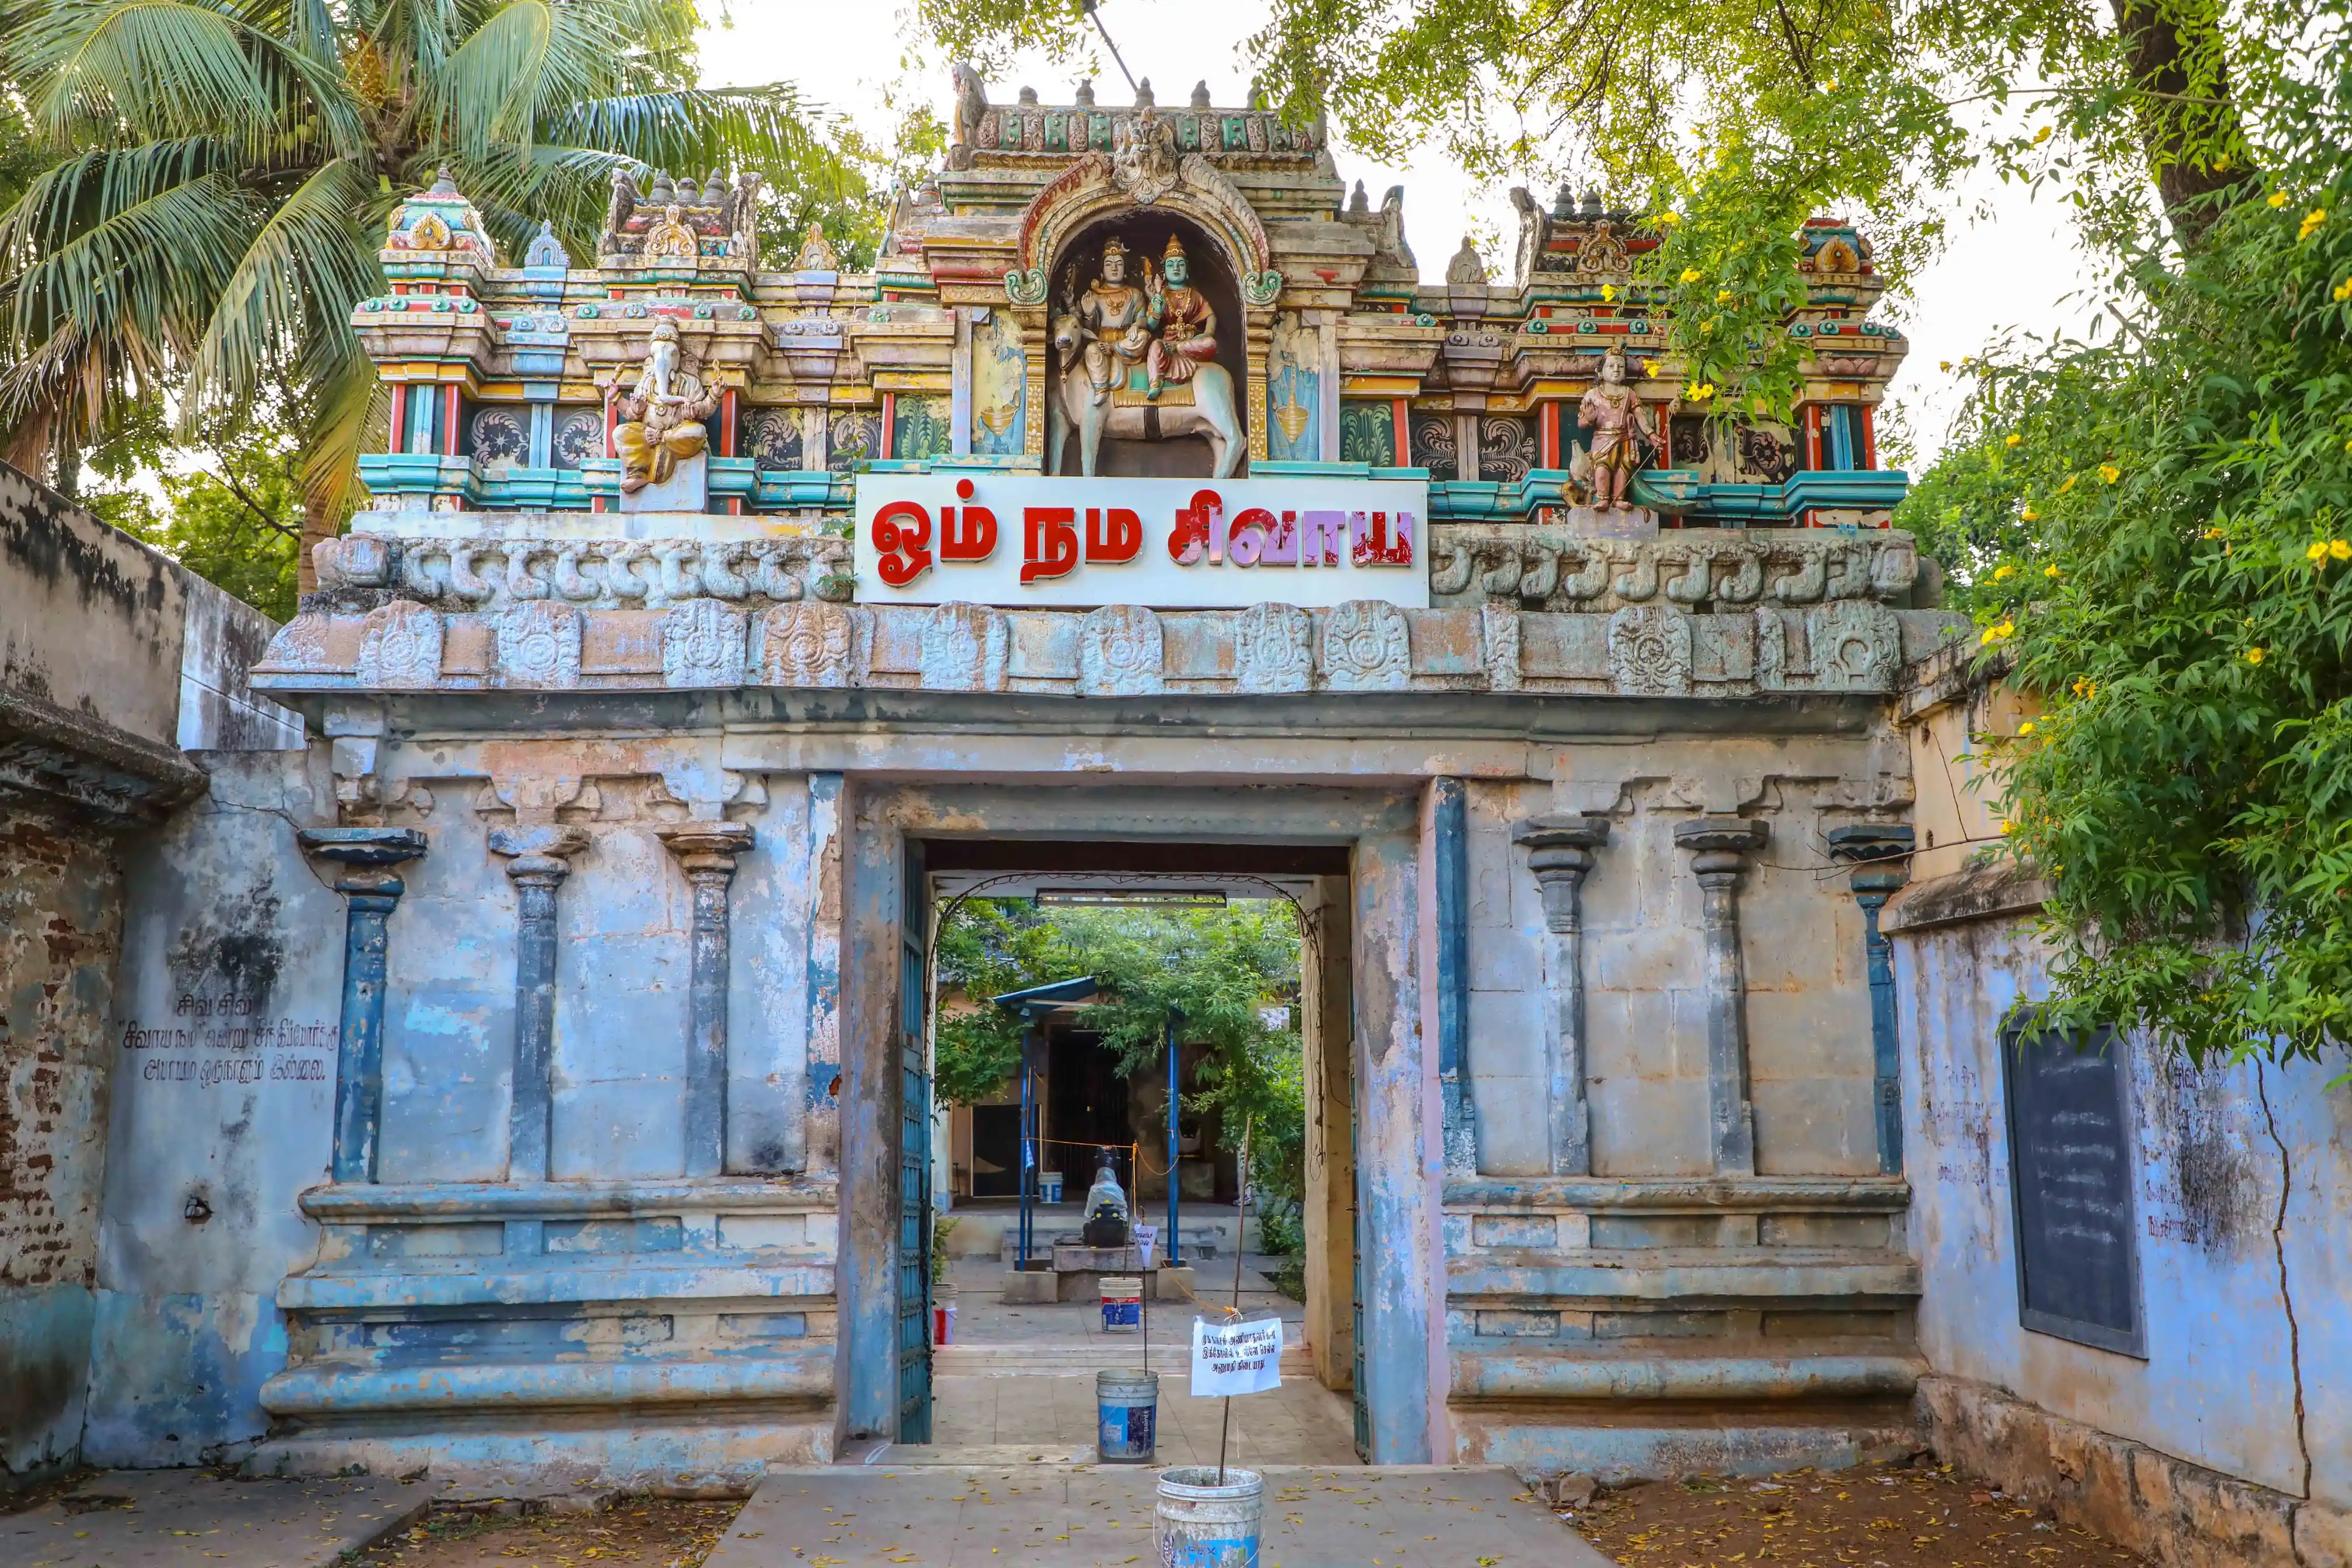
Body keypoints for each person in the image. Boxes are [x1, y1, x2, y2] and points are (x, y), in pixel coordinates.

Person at [1146, 235, 1217, 400]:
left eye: (1180, 264)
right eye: (1171, 265)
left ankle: (1178, 349)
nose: (1176, 269)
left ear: (1187, 270)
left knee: (1210, 343)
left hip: (1190, 345)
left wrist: (1207, 333)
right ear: (1164, 273)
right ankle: (1155, 381)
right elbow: (1150, 326)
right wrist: (1157, 311)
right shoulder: (1161, 295)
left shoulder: (1195, 295)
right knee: (1155, 346)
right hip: (1167, 344)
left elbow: (1211, 316)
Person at [1082, 1152, 1130, 1247]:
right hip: (1117, 1234)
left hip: (1095, 1235)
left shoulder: (1094, 1190)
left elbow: (1088, 1216)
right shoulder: (1118, 1190)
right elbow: (1124, 1214)